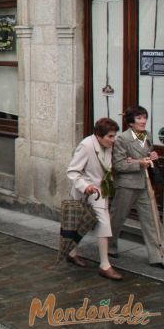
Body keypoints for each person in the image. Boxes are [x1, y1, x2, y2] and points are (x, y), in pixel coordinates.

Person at [66, 118, 123, 280]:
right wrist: (86, 186)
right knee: (79, 224)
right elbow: (72, 171)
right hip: (84, 191)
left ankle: (105, 265)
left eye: (114, 136)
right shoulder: (86, 145)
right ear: (98, 135)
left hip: (99, 192)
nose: (113, 140)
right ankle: (71, 253)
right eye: (110, 137)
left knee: (104, 223)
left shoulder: (108, 146)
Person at [109, 106, 164, 269]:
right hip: (127, 184)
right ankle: (109, 246)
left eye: (144, 117)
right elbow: (118, 164)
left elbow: (147, 155)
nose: (143, 121)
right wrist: (139, 163)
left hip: (145, 183)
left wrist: (152, 156)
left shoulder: (147, 135)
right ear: (131, 122)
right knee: (117, 217)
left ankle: (157, 255)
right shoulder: (122, 139)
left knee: (152, 219)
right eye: (139, 118)